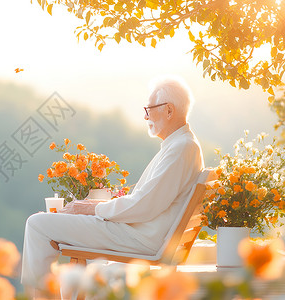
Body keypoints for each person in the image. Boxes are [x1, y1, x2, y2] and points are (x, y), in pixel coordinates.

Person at [21, 76, 205, 295]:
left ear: (169, 110)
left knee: (38, 224)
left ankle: (39, 296)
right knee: (56, 224)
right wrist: (96, 207)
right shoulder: (181, 144)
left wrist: (92, 208)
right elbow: (148, 201)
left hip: (140, 238)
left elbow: (145, 205)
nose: (145, 116)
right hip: (141, 232)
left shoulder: (181, 148)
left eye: (149, 109)